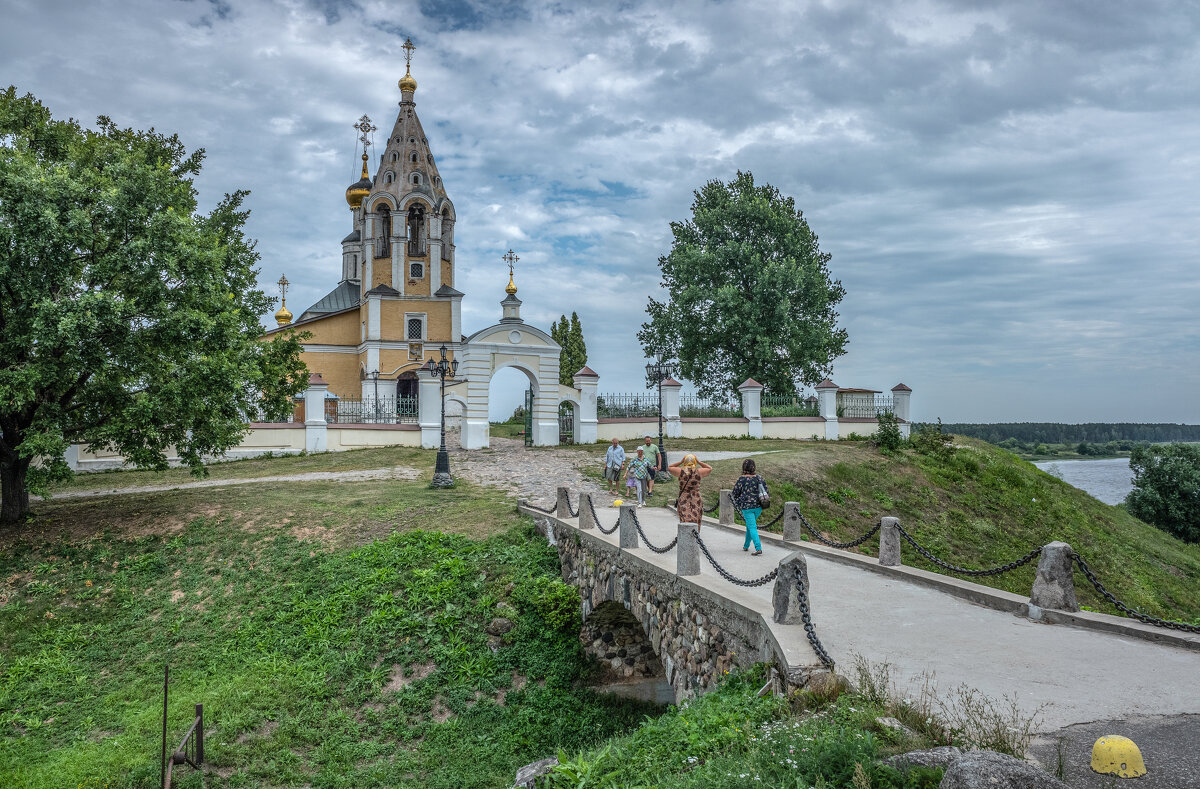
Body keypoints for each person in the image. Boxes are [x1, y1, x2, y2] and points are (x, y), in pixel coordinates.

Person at [731, 458, 768, 555]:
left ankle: (758, 547)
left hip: (747, 508)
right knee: (749, 526)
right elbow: (766, 490)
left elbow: (734, 493)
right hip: (759, 507)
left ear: (744, 467)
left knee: (752, 527)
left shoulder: (742, 479)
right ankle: (746, 545)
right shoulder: (759, 478)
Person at [668, 453, 712, 526]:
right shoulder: (699, 472)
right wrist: (699, 462)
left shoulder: (680, 471)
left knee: (684, 517)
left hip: (683, 497)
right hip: (696, 497)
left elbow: (669, 467)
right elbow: (709, 468)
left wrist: (681, 462)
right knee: (696, 517)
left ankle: (684, 535)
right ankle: (696, 535)